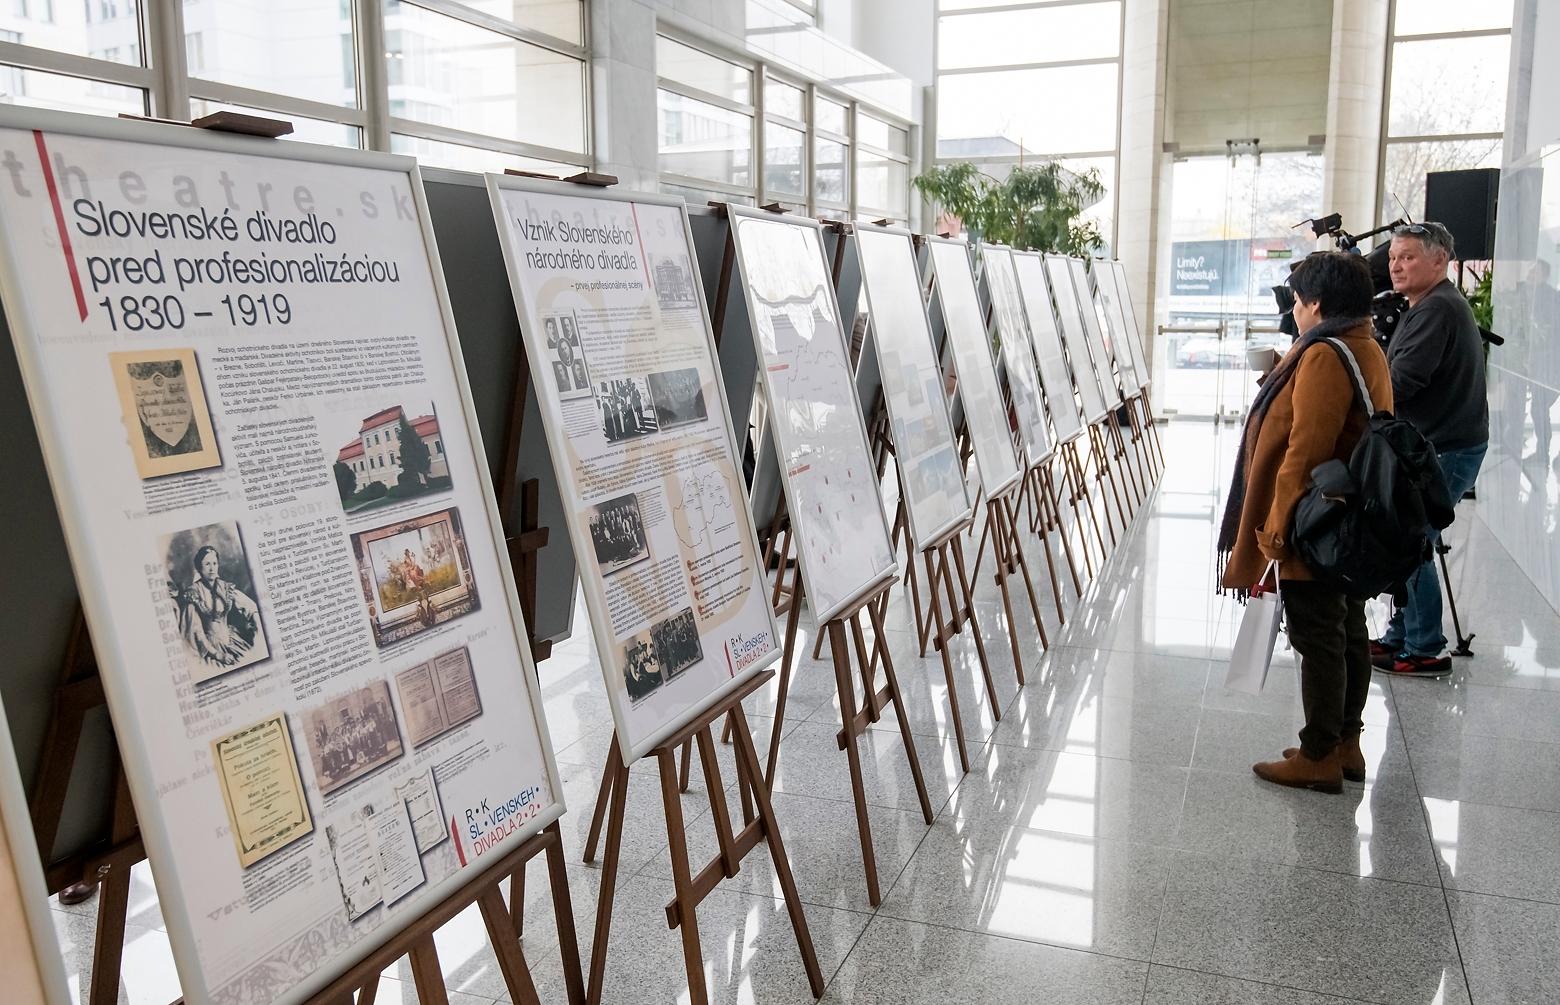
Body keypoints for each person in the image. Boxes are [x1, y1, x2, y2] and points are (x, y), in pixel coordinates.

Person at [1218, 252, 1393, 793]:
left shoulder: (1323, 355)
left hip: (1315, 525)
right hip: (1349, 520)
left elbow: (1305, 450)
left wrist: (1274, 527)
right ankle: (1345, 742)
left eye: (1296, 301)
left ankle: (1318, 753)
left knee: (1319, 635)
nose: (1293, 311)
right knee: (1347, 630)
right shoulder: (1364, 345)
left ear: (1316, 303)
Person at [1372, 222, 1489, 677]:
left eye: (1408, 257)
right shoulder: (1425, 305)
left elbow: (1400, 380)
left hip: (1445, 448)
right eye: (1393, 258)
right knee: (1409, 539)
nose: (1397, 266)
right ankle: (1402, 634)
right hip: (1434, 444)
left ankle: (1425, 647)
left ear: (1439, 260)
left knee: (1413, 540)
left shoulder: (1438, 308)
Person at [176, 544, 261, 667]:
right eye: (207, 564)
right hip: (210, 649)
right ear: (199, 567)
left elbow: (251, 608)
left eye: (214, 563)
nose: (212, 568)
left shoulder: (225, 587)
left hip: (233, 641)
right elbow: (197, 632)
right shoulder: (193, 592)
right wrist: (218, 655)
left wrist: (258, 624)